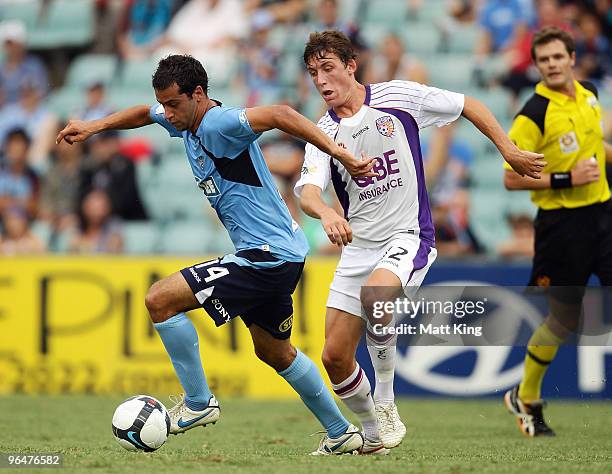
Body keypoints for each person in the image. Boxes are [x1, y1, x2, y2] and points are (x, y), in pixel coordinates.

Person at [56, 54, 376, 455]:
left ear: (199, 94)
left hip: (268, 256)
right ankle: (340, 432)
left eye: (174, 104)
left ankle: (197, 403)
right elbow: (143, 112)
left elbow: (279, 113)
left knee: (160, 299)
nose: (167, 113)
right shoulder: (184, 117)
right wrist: (95, 126)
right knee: (274, 351)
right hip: (281, 253)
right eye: (165, 104)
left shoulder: (218, 123)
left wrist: (339, 152)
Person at [295, 30, 544, 452]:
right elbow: (308, 192)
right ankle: (373, 435)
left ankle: (387, 401)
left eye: (328, 68)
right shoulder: (323, 131)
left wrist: (508, 150)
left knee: (378, 294)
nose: (320, 80)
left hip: (408, 235)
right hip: (359, 247)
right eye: (313, 72)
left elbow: (469, 105)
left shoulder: (398, 97)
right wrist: (328, 213)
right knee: (334, 357)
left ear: (350, 66)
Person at [503, 26, 612, 437]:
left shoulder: (588, 93)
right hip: (562, 227)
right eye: (543, 60)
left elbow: (592, 148)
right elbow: (510, 180)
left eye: (557, 57)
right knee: (564, 320)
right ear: (537, 65)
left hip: (603, 211)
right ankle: (525, 396)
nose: (551, 65)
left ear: (571, 58)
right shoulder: (533, 114)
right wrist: (567, 179)